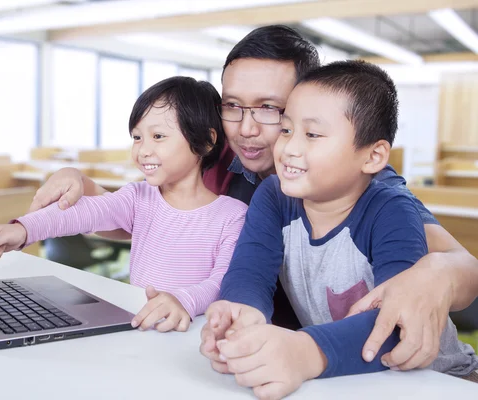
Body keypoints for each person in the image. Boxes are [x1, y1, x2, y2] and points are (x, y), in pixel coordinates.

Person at [29, 25, 478, 371]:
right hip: (255, 347)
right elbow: (150, 219)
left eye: (270, 109)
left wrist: (437, 272)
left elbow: (461, 269)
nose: (247, 128)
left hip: (338, 358)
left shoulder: (361, 186)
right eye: (233, 105)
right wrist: (84, 188)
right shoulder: (220, 157)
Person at [205, 60, 478, 399]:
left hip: (435, 380)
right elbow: (250, 270)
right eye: (287, 130)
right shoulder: (273, 196)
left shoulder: (391, 210)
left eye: (312, 134)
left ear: (373, 156)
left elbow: (394, 324)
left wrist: (304, 351)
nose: (289, 147)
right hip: (346, 377)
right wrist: (241, 311)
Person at [0, 77, 248, 333]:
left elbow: (223, 281)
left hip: (192, 337)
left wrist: (183, 300)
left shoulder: (233, 216)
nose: (143, 150)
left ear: (206, 141)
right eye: (136, 137)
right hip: (140, 329)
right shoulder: (137, 197)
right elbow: (85, 213)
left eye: (158, 136)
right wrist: (22, 230)